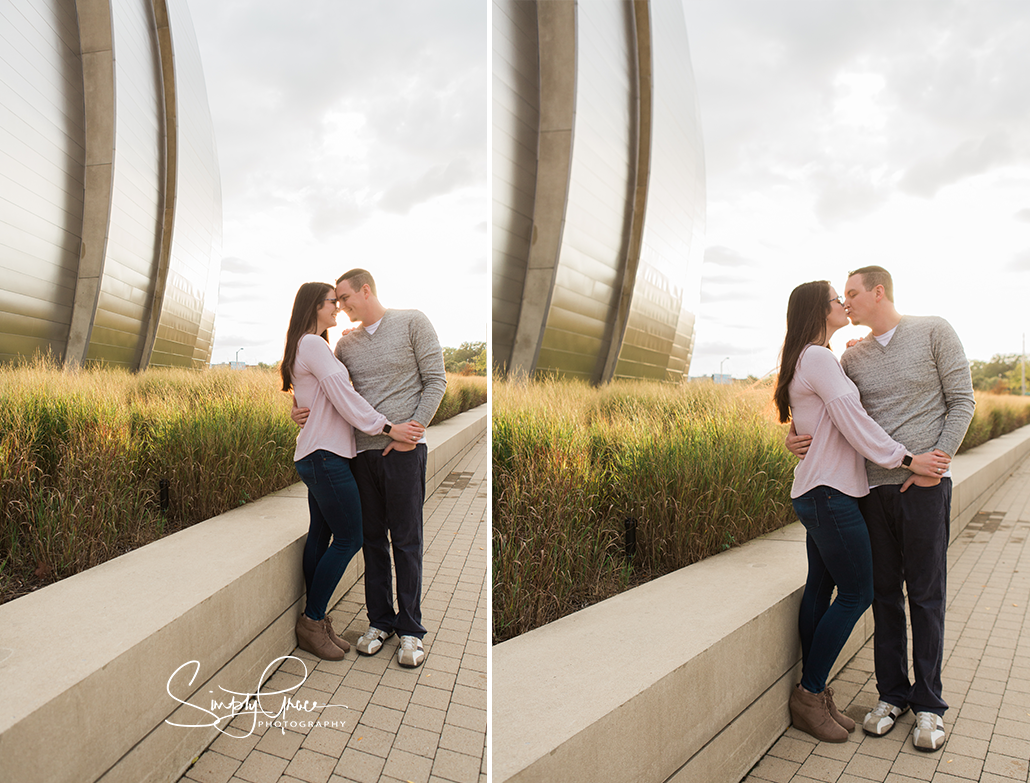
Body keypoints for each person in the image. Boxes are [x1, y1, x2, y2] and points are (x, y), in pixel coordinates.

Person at [788, 266, 974, 752]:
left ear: (879, 291)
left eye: (851, 293)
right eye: (839, 296)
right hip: (871, 492)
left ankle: (929, 704)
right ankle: (891, 695)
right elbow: (828, 410)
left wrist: (933, 464)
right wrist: (794, 435)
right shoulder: (850, 357)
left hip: (925, 487)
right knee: (884, 596)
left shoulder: (934, 330)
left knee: (926, 595)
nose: (845, 302)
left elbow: (962, 401)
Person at [293, 269, 446, 668]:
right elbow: (332, 391)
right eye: (335, 301)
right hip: (359, 455)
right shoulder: (344, 344)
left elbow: (436, 381)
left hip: (404, 453)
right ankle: (380, 622)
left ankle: (411, 630)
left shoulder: (413, 322)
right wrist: (298, 409)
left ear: (366, 290)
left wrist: (408, 433)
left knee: (406, 541)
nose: (341, 307)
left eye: (344, 298)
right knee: (372, 541)